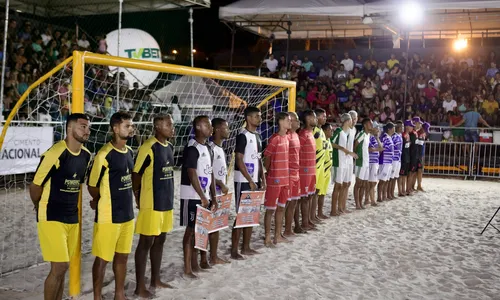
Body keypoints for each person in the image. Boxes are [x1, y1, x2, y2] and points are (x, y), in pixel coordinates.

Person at [30, 113, 91, 300]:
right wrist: (39, 207)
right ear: (70, 128)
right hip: (51, 215)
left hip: (72, 216)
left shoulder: (86, 155)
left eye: (88, 127)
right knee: (60, 266)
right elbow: (35, 186)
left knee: (62, 268)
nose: (87, 130)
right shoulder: (56, 152)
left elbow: (78, 185)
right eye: (82, 126)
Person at [87, 112, 135, 300]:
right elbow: (92, 185)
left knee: (122, 256)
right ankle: (97, 297)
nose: (131, 129)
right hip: (109, 216)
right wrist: (99, 199)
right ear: (115, 128)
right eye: (127, 126)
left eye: (131, 126)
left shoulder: (130, 151)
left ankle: (119, 294)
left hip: (127, 215)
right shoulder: (104, 154)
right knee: (102, 258)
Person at [133, 114, 175, 297]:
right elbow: (136, 175)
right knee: (145, 243)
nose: (172, 128)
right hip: (151, 203)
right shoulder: (148, 147)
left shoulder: (170, 146)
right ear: (158, 126)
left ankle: (155, 279)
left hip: (166, 202)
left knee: (161, 240)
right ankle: (139, 286)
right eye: (168, 124)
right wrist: (138, 197)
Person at [179, 115, 217, 278]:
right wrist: (202, 195)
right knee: (190, 231)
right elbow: (191, 172)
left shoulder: (208, 147)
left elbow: (210, 173)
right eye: (208, 125)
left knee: (200, 230)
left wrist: (213, 196)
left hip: (204, 195)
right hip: (192, 195)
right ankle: (187, 268)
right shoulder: (192, 147)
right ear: (199, 127)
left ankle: (195, 264)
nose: (211, 128)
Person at [232, 106, 266, 259]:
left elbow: (258, 159)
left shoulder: (258, 136)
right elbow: (239, 159)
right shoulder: (242, 135)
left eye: (260, 116)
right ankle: (234, 249)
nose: (260, 119)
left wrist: (262, 179)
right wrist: (250, 180)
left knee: (251, 213)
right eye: (257, 116)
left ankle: (246, 247)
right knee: (241, 214)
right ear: (248, 118)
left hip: (255, 180)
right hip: (243, 180)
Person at [263, 112, 291, 246]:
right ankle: (267, 237)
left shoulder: (287, 138)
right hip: (275, 179)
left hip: (285, 178)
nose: (289, 123)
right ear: (280, 122)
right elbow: (267, 157)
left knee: (281, 208)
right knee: (270, 209)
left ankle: (277, 235)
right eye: (287, 120)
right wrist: (268, 173)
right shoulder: (274, 139)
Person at [208, 118, 231, 264]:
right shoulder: (210, 148)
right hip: (212, 192)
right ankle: (210, 257)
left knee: (217, 225)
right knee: (210, 226)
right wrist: (220, 183)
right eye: (225, 128)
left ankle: (213, 255)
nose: (228, 131)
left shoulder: (220, 148)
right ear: (217, 130)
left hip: (219, 192)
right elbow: (206, 172)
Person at [331, 113, 357, 216]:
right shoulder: (338, 131)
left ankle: (340, 207)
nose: (353, 122)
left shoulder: (348, 132)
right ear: (347, 121)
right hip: (339, 161)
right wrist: (345, 150)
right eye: (351, 120)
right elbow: (331, 143)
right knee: (338, 186)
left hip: (345, 161)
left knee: (343, 185)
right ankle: (334, 210)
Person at [298, 110, 317, 230]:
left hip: (311, 170)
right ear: (308, 119)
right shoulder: (303, 134)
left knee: (310, 196)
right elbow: (297, 152)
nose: (316, 119)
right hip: (304, 170)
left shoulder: (310, 133)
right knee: (304, 197)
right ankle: (303, 222)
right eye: (314, 117)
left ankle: (308, 220)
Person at [283, 112, 301, 236]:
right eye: (295, 120)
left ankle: (289, 228)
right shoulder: (287, 136)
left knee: (294, 201)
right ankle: (285, 229)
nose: (297, 122)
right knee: (286, 202)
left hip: (296, 172)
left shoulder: (295, 135)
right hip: (288, 173)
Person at [353, 118, 372, 209]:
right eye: (370, 124)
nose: (371, 126)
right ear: (365, 125)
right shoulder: (362, 134)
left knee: (364, 184)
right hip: (360, 162)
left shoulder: (368, 135)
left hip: (366, 162)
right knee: (358, 184)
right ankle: (357, 204)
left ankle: (360, 202)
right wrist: (356, 155)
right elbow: (356, 143)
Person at [313, 108, 327, 223]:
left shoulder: (321, 131)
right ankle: (310, 217)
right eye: (323, 116)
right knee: (312, 193)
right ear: (317, 117)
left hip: (322, 166)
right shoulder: (314, 131)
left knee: (318, 191)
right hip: (315, 165)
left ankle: (314, 215)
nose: (325, 118)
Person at [343, 110, 358, 211]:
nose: (356, 120)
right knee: (343, 184)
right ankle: (340, 206)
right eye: (355, 118)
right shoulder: (346, 129)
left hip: (350, 158)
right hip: (344, 157)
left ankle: (343, 205)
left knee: (348, 183)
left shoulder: (354, 129)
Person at [377, 123, 395, 202]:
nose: (394, 129)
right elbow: (381, 148)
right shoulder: (384, 137)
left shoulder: (389, 137)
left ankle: (384, 195)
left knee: (386, 180)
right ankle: (379, 197)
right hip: (384, 161)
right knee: (382, 179)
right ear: (389, 129)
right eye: (393, 128)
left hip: (389, 161)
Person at [366, 126, 384, 206]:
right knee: (371, 182)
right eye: (377, 130)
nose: (378, 131)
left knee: (373, 182)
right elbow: (369, 149)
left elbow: (381, 148)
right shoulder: (369, 137)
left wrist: (377, 138)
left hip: (375, 162)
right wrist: (377, 149)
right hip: (370, 162)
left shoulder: (376, 139)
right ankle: (371, 200)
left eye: (379, 130)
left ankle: (369, 199)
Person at [319, 123, 333, 215]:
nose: (332, 131)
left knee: (323, 193)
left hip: (328, 171)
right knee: (318, 194)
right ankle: (317, 213)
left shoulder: (329, 141)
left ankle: (320, 212)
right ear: (324, 131)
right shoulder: (322, 141)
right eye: (330, 130)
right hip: (322, 170)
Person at [399, 120, 414, 196]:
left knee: (405, 175)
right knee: (401, 175)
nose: (412, 127)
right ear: (407, 126)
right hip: (403, 157)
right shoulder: (402, 135)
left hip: (407, 157)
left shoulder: (408, 135)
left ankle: (404, 189)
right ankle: (400, 190)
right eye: (411, 126)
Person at [389, 121, 403, 199]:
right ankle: (389, 193)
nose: (403, 128)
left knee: (395, 177)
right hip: (394, 159)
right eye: (402, 127)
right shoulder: (394, 137)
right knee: (391, 177)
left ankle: (392, 193)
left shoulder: (400, 136)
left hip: (398, 159)